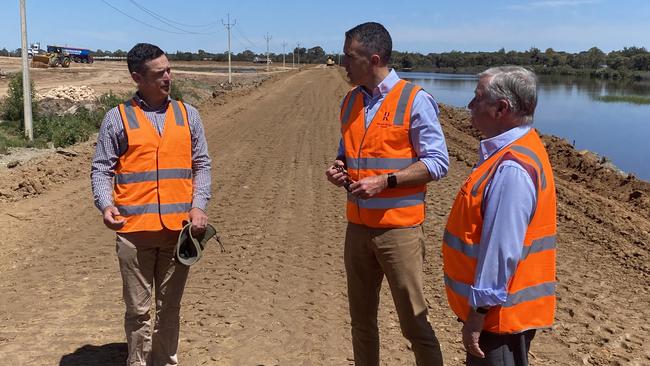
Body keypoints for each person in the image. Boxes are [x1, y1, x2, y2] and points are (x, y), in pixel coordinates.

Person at [325, 22, 449, 365]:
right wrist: (339, 166)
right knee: (361, 323)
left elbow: (438, 163)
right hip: (358, 228)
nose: (343, 64)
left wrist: (386, 181)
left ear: (373, 58)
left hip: (399, 232)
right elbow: (347, 151)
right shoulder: (350, 101)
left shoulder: (415, 100)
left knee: (415, 325)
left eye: (349, 57)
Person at [91, 43, 212, 366]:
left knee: (170, 308)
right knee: (138, 310)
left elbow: (202, 165)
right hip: (134, 233)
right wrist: (105, 204)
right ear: (137, 78)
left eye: (169, 70)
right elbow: (101, 168)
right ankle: (138, 362)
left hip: (178, 233)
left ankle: (165, 361)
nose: (168, 77)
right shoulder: (117, 119)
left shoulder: (189, 115)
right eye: (160, 74)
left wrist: (198, 206)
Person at [441, 66, 557, 366]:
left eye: (477, 98)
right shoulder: (519, 150)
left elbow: (500, 251)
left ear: (502, 109)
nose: (469, 105)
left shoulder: (511, 168)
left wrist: (477, 316)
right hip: (501, 315)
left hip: (499, 320)